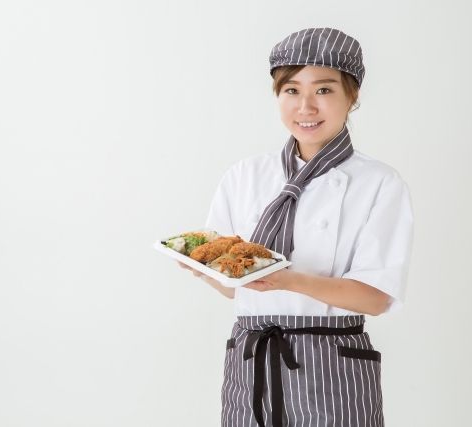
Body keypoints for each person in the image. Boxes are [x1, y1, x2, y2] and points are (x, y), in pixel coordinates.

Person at [179, 27, 413, 427]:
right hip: (251, 361)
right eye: (291, 90)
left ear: (352, 96)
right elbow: (235, 287)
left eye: (324, 90)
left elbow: (375, 298)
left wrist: (289, 281)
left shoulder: (379, 183)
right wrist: (202, 269)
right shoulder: (245, 176)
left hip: (332, 365)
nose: (306, 106)